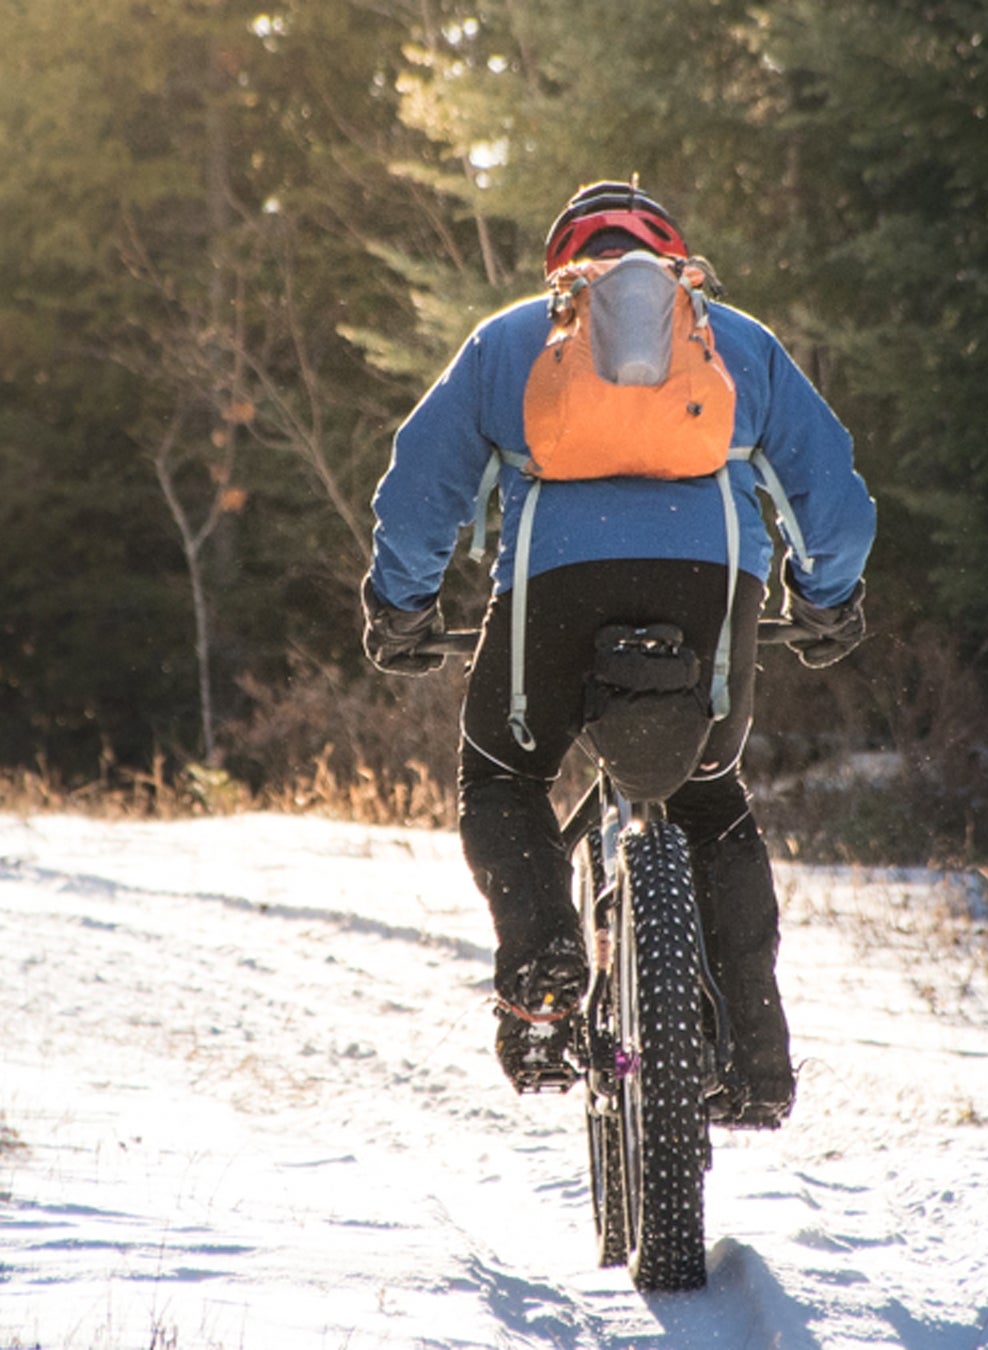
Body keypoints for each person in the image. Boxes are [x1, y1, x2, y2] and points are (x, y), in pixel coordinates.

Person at [358, 181, 876, 1127]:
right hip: (709, 587)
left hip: (555, 591)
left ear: (566, 266)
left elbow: (420, 484)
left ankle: (546, 969)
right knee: (710, 802)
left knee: (506, 774)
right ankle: (756, 1061)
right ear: (674, 262)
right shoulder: (736, 341)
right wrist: (828, 597)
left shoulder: (514, 339)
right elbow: (830, 490)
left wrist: (402, 604)